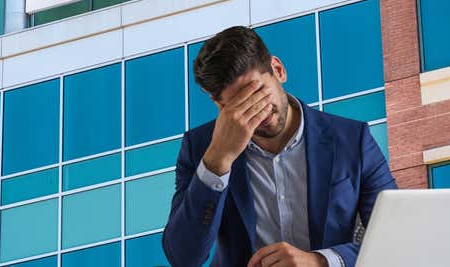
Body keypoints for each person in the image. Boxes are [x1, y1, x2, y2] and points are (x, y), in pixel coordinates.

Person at [162, 26, 397, 267]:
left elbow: (396, 237)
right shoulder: (200, 148)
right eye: (239, 105)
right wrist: (218, 160)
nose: (257, 112)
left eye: (258, 93)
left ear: (278, 70)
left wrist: (320, 261)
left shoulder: (352, 140)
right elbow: (183, 257)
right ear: (219, 104)